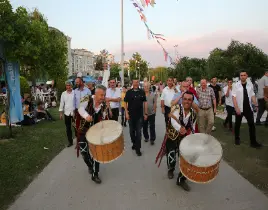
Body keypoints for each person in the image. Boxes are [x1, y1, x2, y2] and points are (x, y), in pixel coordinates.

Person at [156, 91, 197, 191]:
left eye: (189, 100)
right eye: (185, 99)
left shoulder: (193, 113)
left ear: (192, 101)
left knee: (186, 158)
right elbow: (173, 122)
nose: (187, 101)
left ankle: (181, 179)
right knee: (171, 155)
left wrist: (192, 138)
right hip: (172, 135)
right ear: (182, 99)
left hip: (184, 137)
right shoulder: (176, 109)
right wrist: (180, 128)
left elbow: (193, 127)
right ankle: (171, 169)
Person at [78, 85, 112, 184]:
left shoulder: (104, 104)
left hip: (96, 131)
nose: (103, 97)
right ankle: (90, 165)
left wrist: (107, 109)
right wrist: (86, 116)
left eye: (104, 95)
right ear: (95, 94)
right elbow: (80, 109)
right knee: (84, 152)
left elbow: (105, 118)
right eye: (101, 95)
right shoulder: (86, 98)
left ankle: (95, 174)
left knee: (96, 153)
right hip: (84, 129)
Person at [232, 71, 262, 148]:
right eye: (241, 75)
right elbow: (234, 97)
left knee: (252, 125)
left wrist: (256, 104)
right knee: (237, 124)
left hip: (248, 108)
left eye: (244, 75)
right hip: (239, 109)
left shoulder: (250, 84)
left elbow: (252, 95)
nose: (242, 76)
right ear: (240, 76)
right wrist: (236, 108)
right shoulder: (235, 85)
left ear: (246, 76)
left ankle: (253, 142)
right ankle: (237, 138)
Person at [124, 79, 148, 156]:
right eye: (134, 82)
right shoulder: (128, 92)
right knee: (131, 132)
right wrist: (126, 113)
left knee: (138, 132)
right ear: (132, 83)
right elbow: (125, 103)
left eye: (137, 82)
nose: (136, 83)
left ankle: (138, 148)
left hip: (139, 116)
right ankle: (134, 143)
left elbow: (145, 103)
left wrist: (145, 113)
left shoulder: (142, 92)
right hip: (130, 116)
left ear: (138, 83)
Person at [73, 77, 91, 152]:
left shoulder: (88, 91)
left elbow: (89, 102)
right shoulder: (75, 91)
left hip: (85, 112)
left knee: (85, 127)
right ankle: (78, 143)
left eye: (77, 82)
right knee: (77, 127)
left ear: (81, 82)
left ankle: (86, 142)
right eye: (75, 82)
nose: (76, 84)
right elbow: (73, 102)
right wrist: (74, 111)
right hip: (77, 111)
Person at [59, 81, 75, 147]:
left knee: (76, 127)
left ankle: (79, 141)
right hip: (67, 113)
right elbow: (61, 103)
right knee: (68, 128)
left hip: (74, 113)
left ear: (71, 86)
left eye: (69, 85)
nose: (68, 87)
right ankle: (70, 142)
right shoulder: (63, 94)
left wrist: (75, 111)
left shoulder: (75, 93)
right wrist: (60, 113)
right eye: (67, 85)